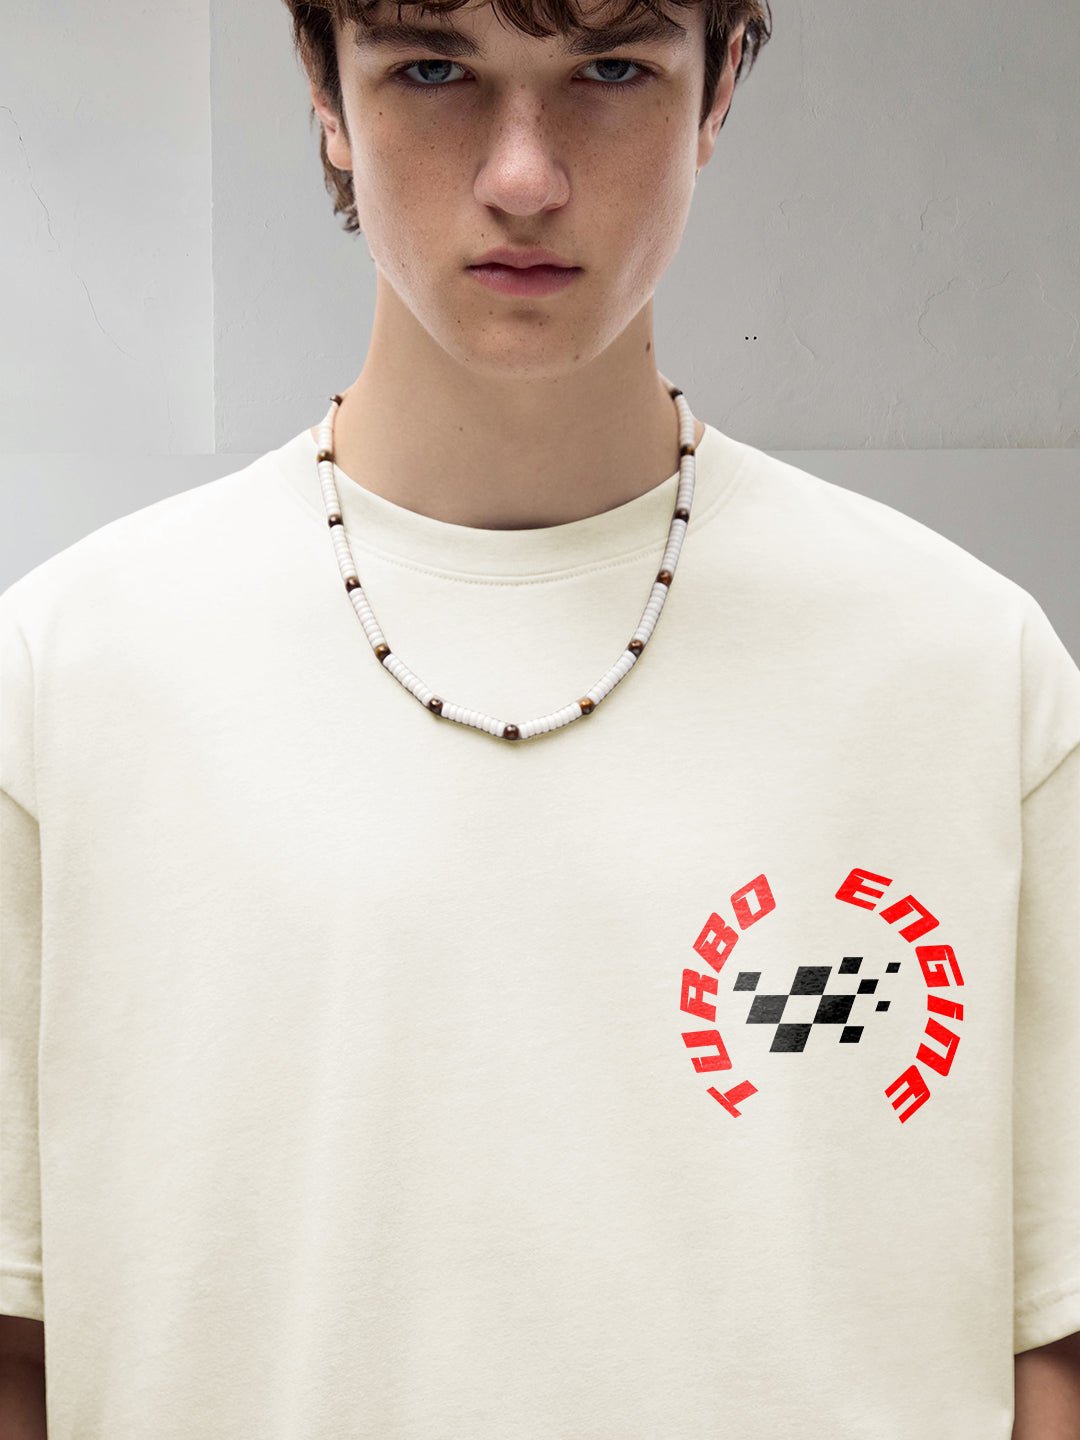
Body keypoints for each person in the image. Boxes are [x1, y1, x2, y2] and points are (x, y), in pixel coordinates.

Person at [2, 0, 1078, 1434]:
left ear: (719, 86)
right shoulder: (71, 676)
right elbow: (20, 1349)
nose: (523, 175)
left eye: (611, 69)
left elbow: (1051, 1349)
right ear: (325, 84)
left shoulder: (965, 668)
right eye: (432, 69)